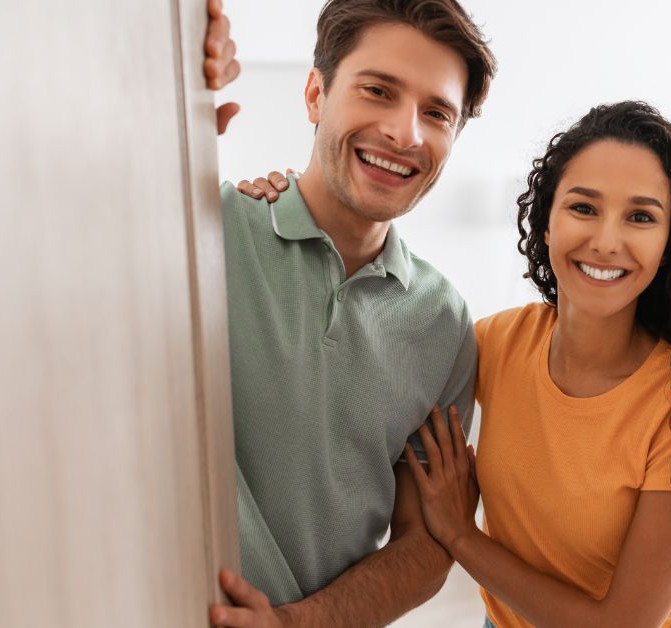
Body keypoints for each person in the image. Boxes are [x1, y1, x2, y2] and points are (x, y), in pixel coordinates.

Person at [241, 102, 671, 626]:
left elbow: (620, 625)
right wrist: (288, 202)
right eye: (583, 208)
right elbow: (380, 360)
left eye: (640, 217)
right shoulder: (498, 343)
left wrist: (462, 538)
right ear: (547, 222)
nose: (606, 241)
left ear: (669, 245)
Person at [207, 1, 497, 626]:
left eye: (437, 113)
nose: (405, 133)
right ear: (316, 94)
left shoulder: (444, 324)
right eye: (378, 91)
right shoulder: (208, 230)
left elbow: (427, 544)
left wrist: (294, 624)